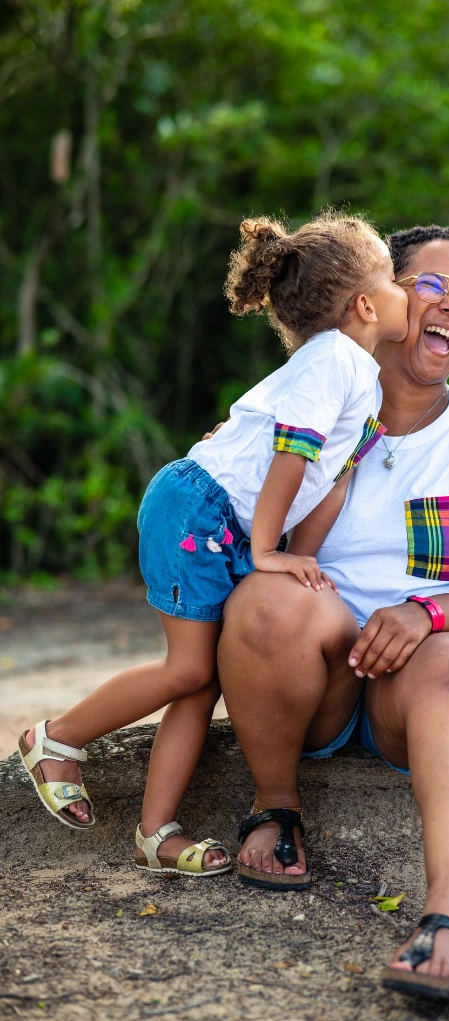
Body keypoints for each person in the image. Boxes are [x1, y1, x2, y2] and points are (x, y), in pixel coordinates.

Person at [217, 224, 449, 1001]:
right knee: (268, 597)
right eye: (434, 284)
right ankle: (278, 808)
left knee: (442, 659)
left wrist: (426, 615)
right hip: (323, 670)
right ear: (381, 298)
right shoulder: (305, 413)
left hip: (438, 670)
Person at [18, 211, 408, 878]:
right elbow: (293, 453)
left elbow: (327, 484)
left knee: (202, 683)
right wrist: (267, 551)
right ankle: (56, 738)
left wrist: (299, 561)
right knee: (189, 670)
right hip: (199, 509)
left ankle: (155, 832)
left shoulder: (360, 379)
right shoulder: (337, 357)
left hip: (221, 519)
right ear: (367, 304)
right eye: (396, 279)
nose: (406, 290)